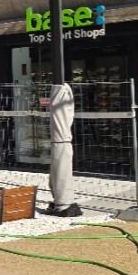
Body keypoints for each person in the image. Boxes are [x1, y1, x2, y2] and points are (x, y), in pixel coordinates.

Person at [47, 83, 83, 217]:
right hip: (61, 143)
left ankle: (63, 203)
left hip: (61, 143)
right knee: (57, 171)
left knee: (59, 168)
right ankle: (61, 201)